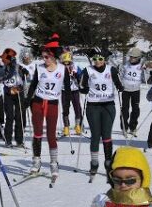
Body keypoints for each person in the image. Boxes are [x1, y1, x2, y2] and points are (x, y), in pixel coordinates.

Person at [25, 35, 71, 178]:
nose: (44, 59)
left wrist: (66, 108)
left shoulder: (63, 69)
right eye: (43, 57)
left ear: (53, 57)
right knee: (37, 133)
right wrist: (27, 100)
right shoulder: (40, 68)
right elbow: (33, 85)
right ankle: (36, 161)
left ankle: (53, 163)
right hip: (38, 102)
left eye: (46, 57)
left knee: (51, 135)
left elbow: (67, 90)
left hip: (52, 104)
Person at [79, 50, 124, 178]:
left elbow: (118, 82)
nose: (97, 61)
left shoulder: (112, 70)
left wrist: (120, 87)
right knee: (95, 135)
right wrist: (84, 89)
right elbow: (81, 84)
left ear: (104, 59)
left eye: (100, 59)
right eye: (95, 59)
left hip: (108, 105)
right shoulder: (88, 70)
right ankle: (94, 162)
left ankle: (108, 162)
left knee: (106, 134)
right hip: (93, 106)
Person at [0, 48, 29, 148]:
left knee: (19, 116)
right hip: (8, 92)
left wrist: (25, 72)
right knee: (9, 117)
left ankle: (19, 140)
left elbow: (26, 76)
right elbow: (0, 81)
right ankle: (8, 140)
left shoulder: (18, 67)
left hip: (18, 92)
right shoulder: (3, 68)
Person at [120, 47, 144, 137]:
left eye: (133, 57)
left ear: (138, 58)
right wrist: (120, 84)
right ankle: (124, 127)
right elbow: (121, 76)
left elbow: (146, 78)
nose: (131, 58)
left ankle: (133, 127)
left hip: (136, 90)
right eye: (130, 57)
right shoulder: (126, 65)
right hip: (126, 90)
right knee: (125, 109)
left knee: (135, 109)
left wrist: (145, 71)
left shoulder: (141, 66)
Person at [60, 51, 83, 136]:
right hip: (65, 90)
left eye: (68, 63)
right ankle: (66, 127)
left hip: (75, 90)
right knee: (65, 109)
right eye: (64, 63)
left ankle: (77, 126)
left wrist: (76, 75)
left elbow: (81, 77)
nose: (66, 64)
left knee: (77, 108)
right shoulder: (60, 68)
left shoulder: (76, 66)